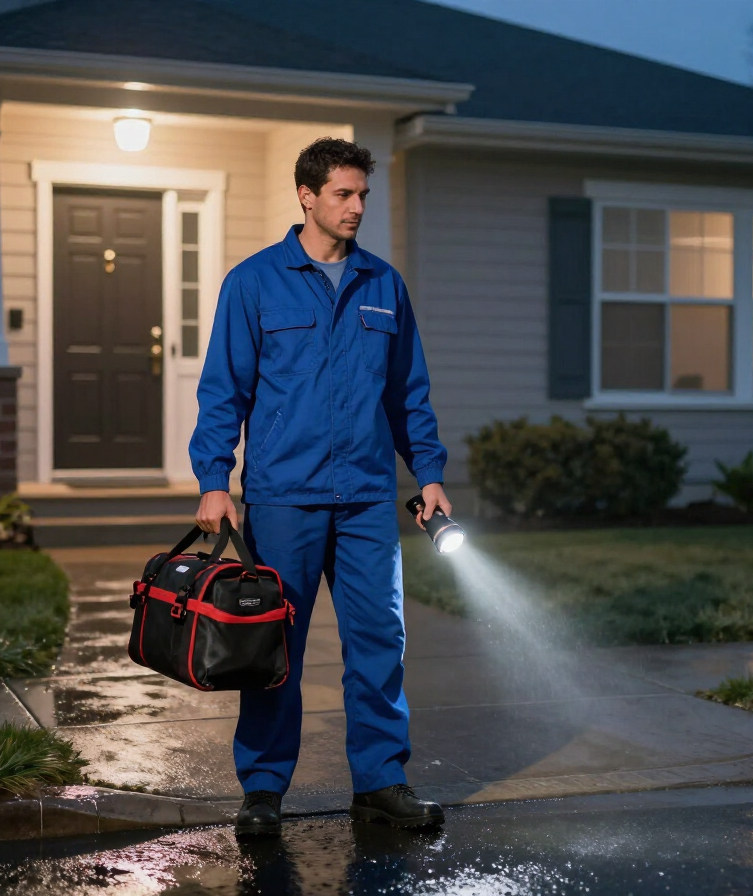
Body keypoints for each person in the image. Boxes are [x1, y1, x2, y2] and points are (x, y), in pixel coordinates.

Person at [190, 138, 450, 838]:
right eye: (343, 193)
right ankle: (265, 790)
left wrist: (428, 472)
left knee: (378, 641)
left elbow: (408, 394)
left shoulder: (382, 286)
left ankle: (381, 782)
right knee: (273, 650)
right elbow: (223, 392)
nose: (357, 206)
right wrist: (215, 479)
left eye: (363, 194)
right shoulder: (254, 283)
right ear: (307, 196)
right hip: (283, 497)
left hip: (366, 497)